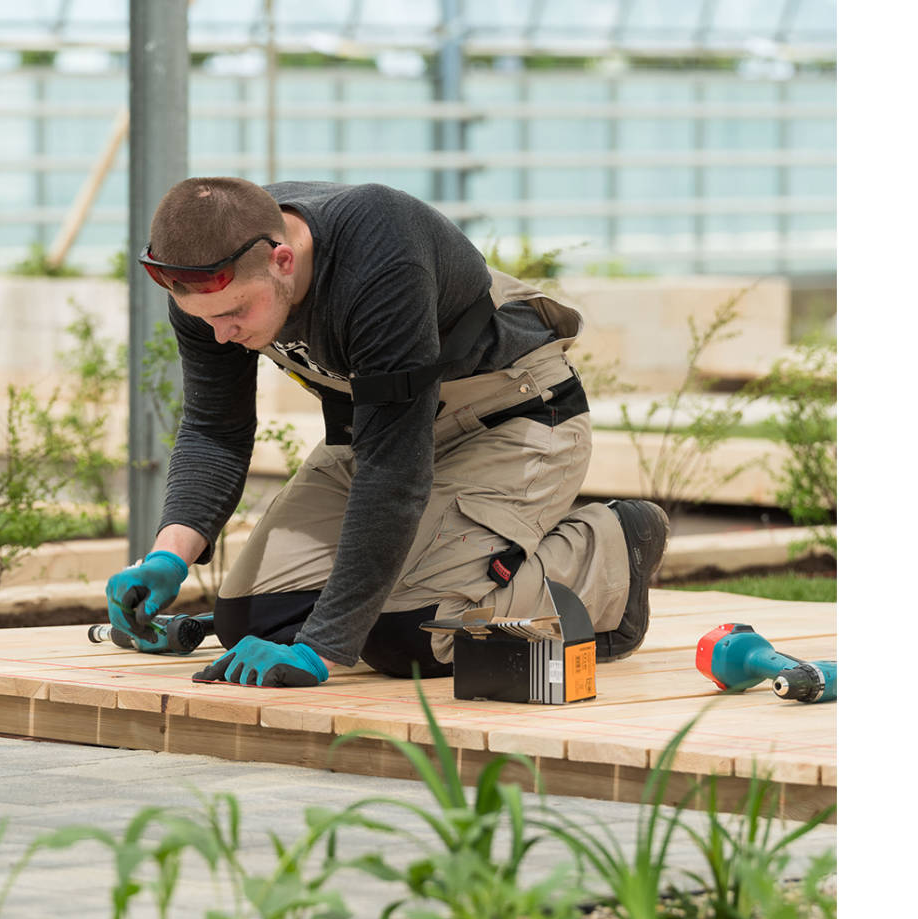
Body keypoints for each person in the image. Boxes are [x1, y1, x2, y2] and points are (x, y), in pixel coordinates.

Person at [103, 176, 669, 690]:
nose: (222, 336)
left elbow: (393, 476)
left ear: (281, 260)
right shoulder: (207, 285)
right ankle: (438, 568)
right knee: (253, 621)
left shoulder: (378, 254)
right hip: (380, 429)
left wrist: (323, 646)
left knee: (410, 635)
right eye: (206, 320)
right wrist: (168, 557)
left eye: (237, 314)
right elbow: (215, 431)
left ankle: (609, 547)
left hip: (511, 418)